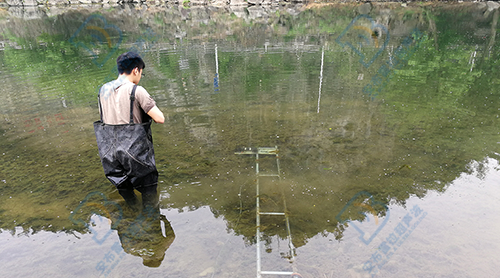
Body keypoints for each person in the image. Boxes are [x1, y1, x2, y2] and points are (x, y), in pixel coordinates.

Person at [94, 51, 164, 211]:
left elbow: (105, 118)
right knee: (148, 191)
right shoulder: (137, 91)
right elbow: (160, 118)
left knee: (123, 187)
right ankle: (150, 221)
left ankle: (132, 212)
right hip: (134, 152)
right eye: (141, 73)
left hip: (108, 152)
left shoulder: (103, 90)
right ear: (135, 70)